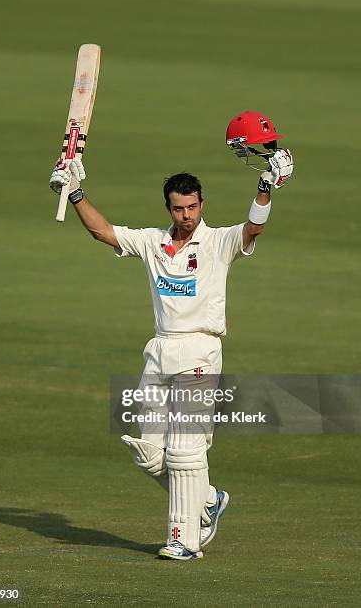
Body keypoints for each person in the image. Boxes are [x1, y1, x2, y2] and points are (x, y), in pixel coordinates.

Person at [49, 132, 293, 560]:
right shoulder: (151, 242)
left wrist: (265, 187)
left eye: (193, 207)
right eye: (179, 208)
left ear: (202, 204)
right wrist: (75, 193)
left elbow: (255, 227)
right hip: (159, 350)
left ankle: (183, 540)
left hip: (200, 350)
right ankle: (208, 500)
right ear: (169, 208)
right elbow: (103, 232)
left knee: (184, 451)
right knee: (147, 452)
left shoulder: (218, 243)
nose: (187, 215)